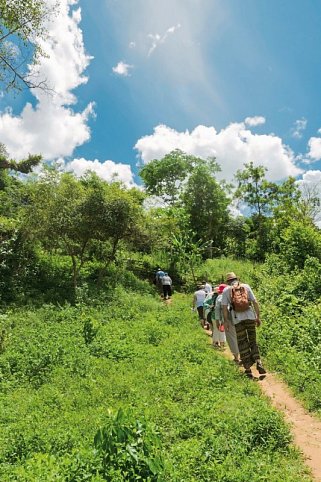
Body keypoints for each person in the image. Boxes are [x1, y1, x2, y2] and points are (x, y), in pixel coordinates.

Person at [221, 272, 266, 379]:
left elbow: (224, 307)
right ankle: (258, 361)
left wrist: (226, 321)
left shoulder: (226, 290)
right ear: (237, 278)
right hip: (250, 316)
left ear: (228, 281)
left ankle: (248, 369)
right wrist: (258, 317)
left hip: (237, 319)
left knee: (242, 342)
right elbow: (255, 302)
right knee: (252, 340)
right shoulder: (246, 286)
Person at [215, 283, 240, 363]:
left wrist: (217, 320)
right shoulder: (236, 294)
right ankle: (244, 355)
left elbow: (217, 309)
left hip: (228, 319)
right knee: (239, 336)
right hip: (239, 318)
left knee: (231, 337)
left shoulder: (220, 297)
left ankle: (236, 357)